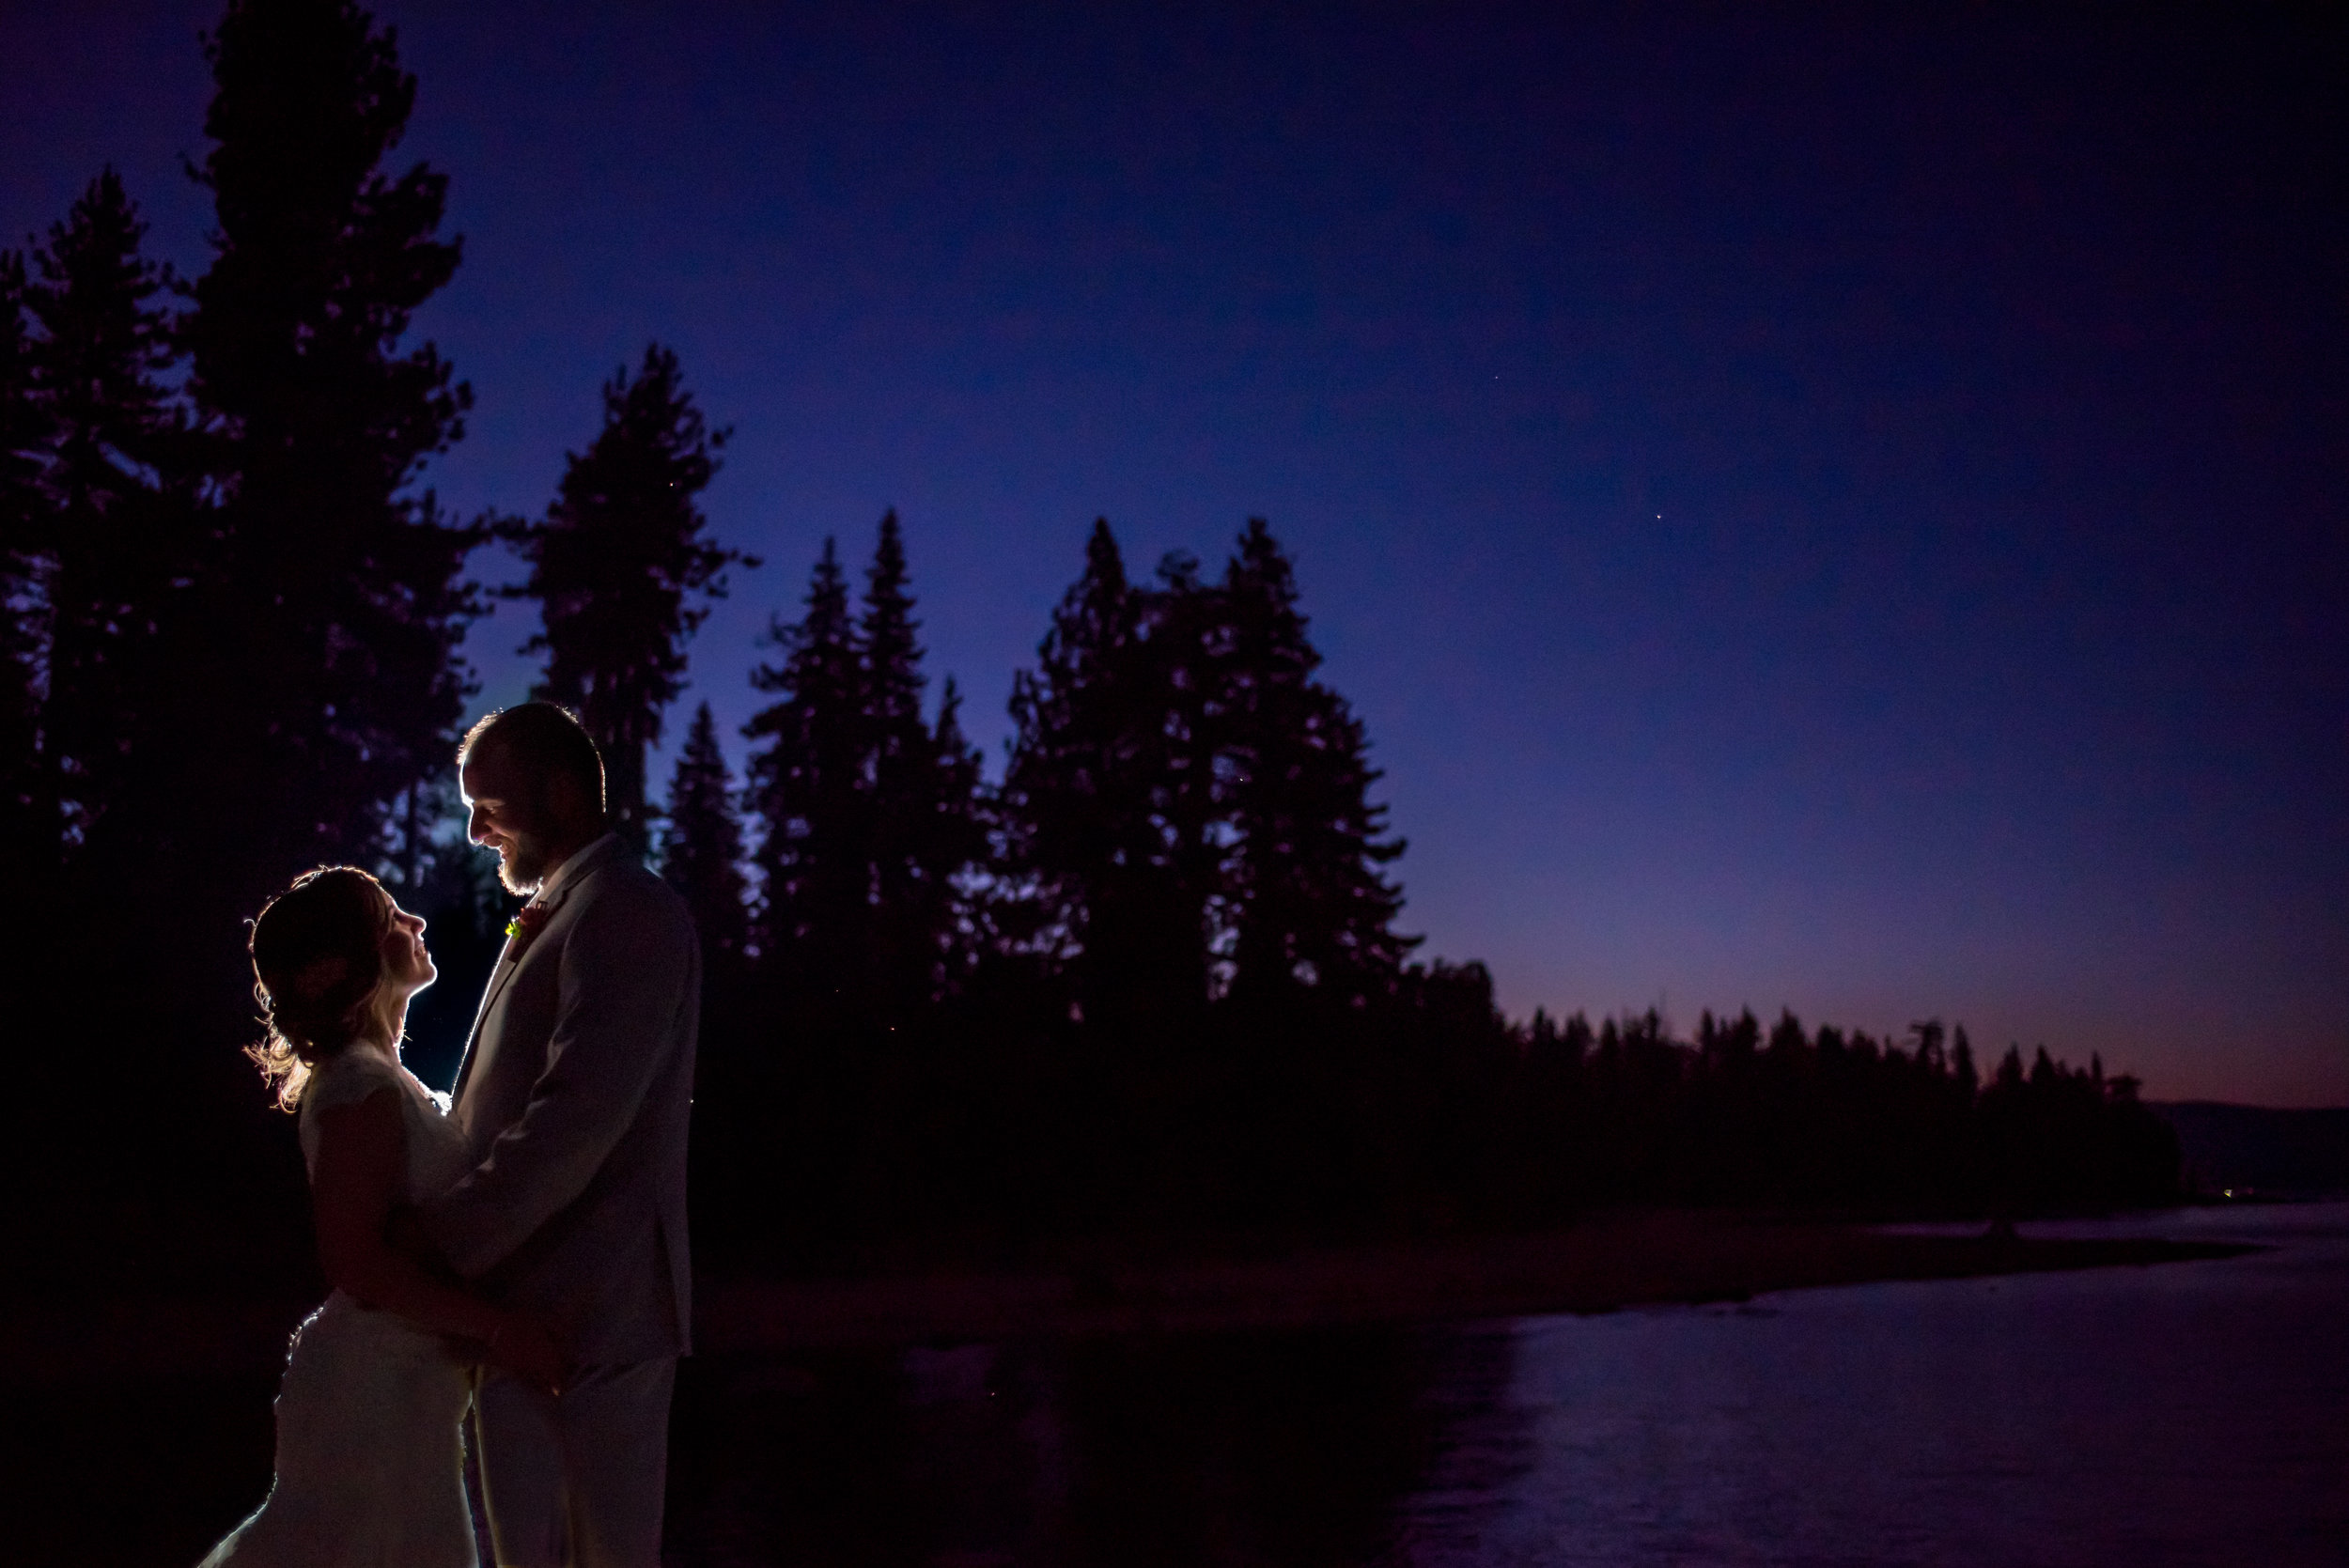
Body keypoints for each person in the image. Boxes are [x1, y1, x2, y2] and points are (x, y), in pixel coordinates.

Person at [201, 867, 563, 1568]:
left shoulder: (378, 1073)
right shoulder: (356, 1086)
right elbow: (354, 1260)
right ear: (349, 960)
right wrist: (498, 1327)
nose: (417, 923)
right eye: (394, 917)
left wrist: (522, 943)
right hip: (373, 1397)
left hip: (407, 1395)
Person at [413, 702, 702, 1568]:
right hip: (530, 1318)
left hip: (592, 1317)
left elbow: (576, 1119)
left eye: (490, 805)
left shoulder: (625, 910)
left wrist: (439, 1248)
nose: (475, 829)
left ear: (564, 794)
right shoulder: (568, 907)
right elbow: (504, 1105)